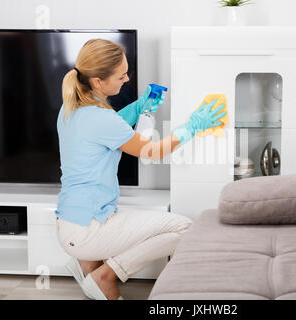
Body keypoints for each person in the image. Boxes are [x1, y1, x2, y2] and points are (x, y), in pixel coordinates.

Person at [55, 39, 226, 300]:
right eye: (121, 76)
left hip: (68, 222)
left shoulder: (71, 108)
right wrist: (193, 126)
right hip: (88, 229)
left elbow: (107, 130)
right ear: (99, 82)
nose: (126, 80)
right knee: (184, 229)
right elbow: (152, 152)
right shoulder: (100, 118)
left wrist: (137, 108)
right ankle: (106, 274)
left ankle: (87, 263)